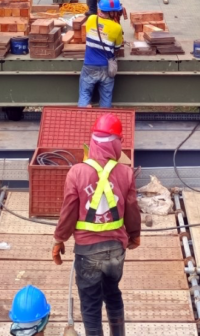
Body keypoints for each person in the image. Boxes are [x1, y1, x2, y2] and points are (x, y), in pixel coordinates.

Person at [52, 114, 142, 336]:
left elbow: (68, 211)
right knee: (112, 294)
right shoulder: (126, 173)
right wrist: (135, 234)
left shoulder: (77, 172)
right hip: (115, 249)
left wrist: (59, 239)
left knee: (91, 304)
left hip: (87, 251)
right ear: (116, 143)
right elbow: (132, 208)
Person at [78, 0, 123, 108]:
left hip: (89, 66)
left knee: (84, 94)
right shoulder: (117, 28)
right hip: (106, 68)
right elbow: (117, 47)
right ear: (112, 12)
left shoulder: (91, 19)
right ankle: (104, 123)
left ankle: (81, 120)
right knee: (106, 96)